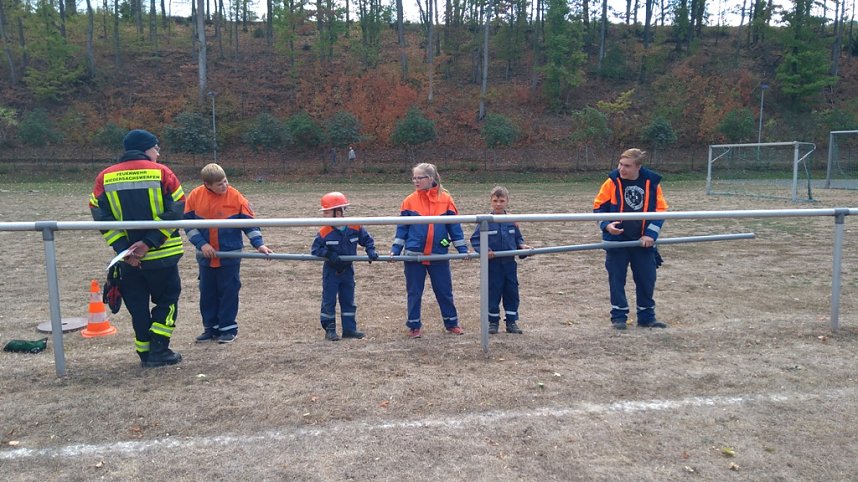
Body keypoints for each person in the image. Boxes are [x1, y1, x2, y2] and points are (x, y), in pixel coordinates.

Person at [89, 129, 185, 367]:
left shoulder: (105, 177)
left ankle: (144, 353)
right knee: (168, 300)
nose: (158, 151)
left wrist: (126, 250)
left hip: (128, 261)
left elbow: (100, 215)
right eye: (156, 146)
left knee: (138, 307)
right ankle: (159, 349)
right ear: (145, 148)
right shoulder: (163, 172)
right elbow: (178, 208)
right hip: (163, 255)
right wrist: (148, 243)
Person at [184, 163, 273, 344]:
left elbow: (249, 224)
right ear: (207, 185)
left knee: (228, 292)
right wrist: (202, 245)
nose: (224, 186)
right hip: (205, 258)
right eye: (219, 184)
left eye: (225, 181)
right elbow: (189, 226)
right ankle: (211, 328)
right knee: (207, 293)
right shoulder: (194, 196)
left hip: (230, 255)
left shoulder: (236, 196)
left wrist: (259, 245)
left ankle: (228, 329)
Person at [390, 163, 469, 338]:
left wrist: (462, 248)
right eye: (414, 178)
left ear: (430, 179)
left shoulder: (446, 199)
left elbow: (454, 226)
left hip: (438, 254)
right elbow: (402, 228)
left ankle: (451, 323)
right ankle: (414, 326)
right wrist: (396, 249)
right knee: (414, 292)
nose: (416, 181)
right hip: (413, 255)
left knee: (444, 291)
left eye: (420, 178)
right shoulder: (409, 200)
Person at [593, 148, 669, 330]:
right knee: (617, 279)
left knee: (646, 279)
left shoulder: (652, 182)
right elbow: (598, 208)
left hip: (643, 242)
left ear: (638, 167)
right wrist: (607, 226)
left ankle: (646, 316)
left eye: (627, 166)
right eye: (620, 164)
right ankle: (619, 316)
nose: (621, 169)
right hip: (617, 240)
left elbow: (660, 211)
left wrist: (650, 235)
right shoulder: (611, 181)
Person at [311, 192, 378, 341]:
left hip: (348, 271)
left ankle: (349, 329)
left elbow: (367, 240)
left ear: (339, 212)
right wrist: (328, 254)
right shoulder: (324, 231)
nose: (324, 216)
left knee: (348, 300)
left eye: (327, 212)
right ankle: (330, 329)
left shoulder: (355, 226)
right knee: (329, 301)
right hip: (331, 272)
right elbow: (315, 249)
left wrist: (371, 251)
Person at [470, 186, 532, 334]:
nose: (498, 204)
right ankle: (493, 322)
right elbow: (476, 239)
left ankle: (511, 322)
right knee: (493, 292)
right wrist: (485, 250)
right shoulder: (485, 221)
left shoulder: (511, 220)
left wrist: (522, 246)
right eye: (495, 200)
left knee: (511, 292)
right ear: (491, 201)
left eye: (502, 201)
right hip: (493, 265)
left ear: (507, 202)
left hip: (509, 264)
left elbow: (518, 238)